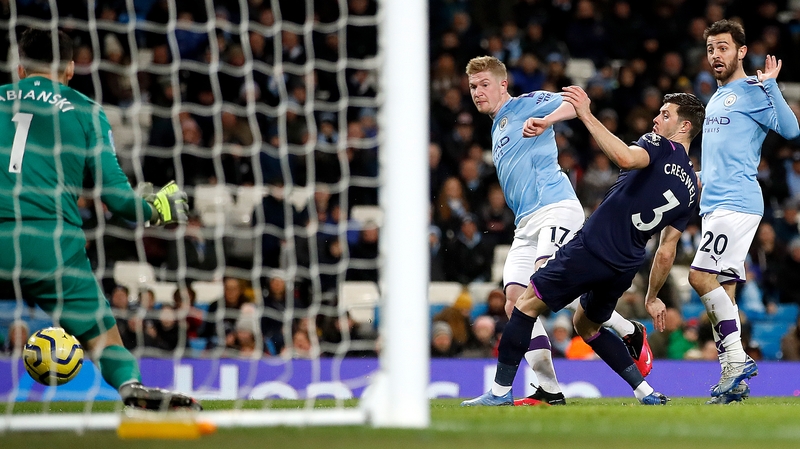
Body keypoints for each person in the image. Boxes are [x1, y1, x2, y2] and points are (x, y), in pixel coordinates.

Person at [462, 86, 704, 406]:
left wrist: (586, 114)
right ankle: (646, 392)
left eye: (665, 115)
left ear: (684, 126)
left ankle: (500, 392)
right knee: (585, 325)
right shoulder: (691, 189)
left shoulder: (658, 144)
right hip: (626, 263)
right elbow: (666, 251)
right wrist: (652, 295)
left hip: (594, 246)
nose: (656, 119)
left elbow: (624, 157)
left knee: (524, 304)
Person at [0, 29, 199, 411]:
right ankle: (130, 386)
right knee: (103, 339)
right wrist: (156, 209)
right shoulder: (85, 110)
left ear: (20, 69)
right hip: (52, 243)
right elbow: (118, 200)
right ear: (70, 69)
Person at [687, 20, 800, 404]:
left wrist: (771, 85)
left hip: (736, 202)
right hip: (713, 203)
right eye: (710, 49)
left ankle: (736, 361)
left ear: (741, 52)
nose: (715, 55)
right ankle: (733, 381)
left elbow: (791, 129)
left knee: (699, 277)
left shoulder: (753, 89)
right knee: (725, 295)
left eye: (723, 47)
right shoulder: (716, 97)